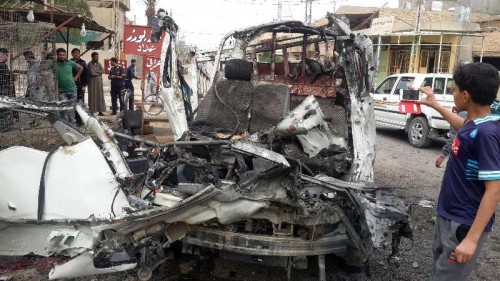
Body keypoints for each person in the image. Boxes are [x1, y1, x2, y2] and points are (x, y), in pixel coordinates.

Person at [418, 62, 500, 281]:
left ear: (465, 96)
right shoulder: (476, 124)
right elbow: (463, 126)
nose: (452, 94)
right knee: (440, 271)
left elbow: (494, 190)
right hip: (448, 213)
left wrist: (472, 239)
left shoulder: (487, 134)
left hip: (463, 223)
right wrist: (434, 104)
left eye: (453, 90)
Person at [54, 48, 83, 123]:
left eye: (63, 55)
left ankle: (73, 124)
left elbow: (81, 68)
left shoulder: (70, 62)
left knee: (72, 108)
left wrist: (76, 77)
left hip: (72, 89)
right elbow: (44, 67)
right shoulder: (54, 63)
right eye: (60, 55)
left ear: (66, 55)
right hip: (61, 90)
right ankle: (66, 125)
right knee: (64, 109)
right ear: (57, 55)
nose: (62, 56)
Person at [70, 48, 88, 125]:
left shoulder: (83, 63)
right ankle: (72, 120)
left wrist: (84, 85)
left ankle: (80, 120)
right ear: (72, 54)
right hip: (70, 86)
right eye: (74, 53)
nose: (76, 54)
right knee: (71, 103)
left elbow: (86, 75)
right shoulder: (68, 62)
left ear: (79, 54)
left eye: (77, 53)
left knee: (79, 103)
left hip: (79, 86)